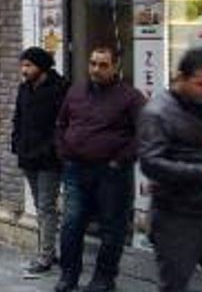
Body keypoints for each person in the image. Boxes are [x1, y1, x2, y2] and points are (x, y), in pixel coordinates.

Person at [55, 47, 146, 292]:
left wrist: (120, 160)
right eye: (93, 63)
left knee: (112, 227)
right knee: (71, 224)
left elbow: (145, 132)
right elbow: (61, 123)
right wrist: (63, 151)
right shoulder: (76, 91)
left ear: (115, 67)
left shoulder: (130, 97)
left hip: (111, 173)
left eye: (103, 65)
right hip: (76, 169)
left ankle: (103, 279)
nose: (96, 69)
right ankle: (68, 276)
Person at [139, 47, 202, 292]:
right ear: (181, 78)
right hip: (176, 216)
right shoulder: (158, 112)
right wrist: (201, 171)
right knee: (174, 285)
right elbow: (150, 163)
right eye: (201, 84)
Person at [13, 46, 69, 279]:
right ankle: (49, 250)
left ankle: (45, 257)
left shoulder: (60, 89)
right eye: (23, 65)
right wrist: (17, 144)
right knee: (40, 206)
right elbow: (18, 118)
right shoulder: (24, 88)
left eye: (28, 65)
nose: (24, 70)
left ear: (42, 67)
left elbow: (64, 124)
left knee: (46, 206)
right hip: (28, 156)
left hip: (49, 159)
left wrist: (52, 148)